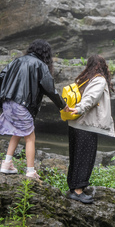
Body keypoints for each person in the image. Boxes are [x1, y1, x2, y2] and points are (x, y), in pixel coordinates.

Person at [0, 39, 68, 179]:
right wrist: (63, 105)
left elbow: (1, 76)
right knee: (30, 137)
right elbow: (50, 89)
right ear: (46, 53)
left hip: (7, 103)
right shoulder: (40, 65)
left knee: (18, 130)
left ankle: (7, 163)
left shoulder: (16, 61)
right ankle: (31, 172)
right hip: (21, 104)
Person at [67, 54, 115, 204]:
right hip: (86, 124)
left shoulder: (84, 80)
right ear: (102, 66)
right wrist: (80, 109)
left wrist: (76, 110)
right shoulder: (99, 80)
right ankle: (78, 191)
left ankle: (73, 188)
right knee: (85, 158)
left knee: (76, 157)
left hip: (75, 124)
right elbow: (92, 98)